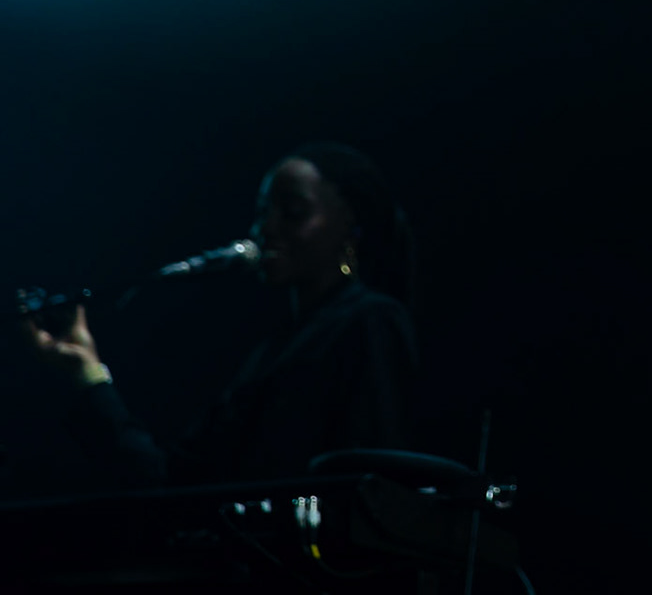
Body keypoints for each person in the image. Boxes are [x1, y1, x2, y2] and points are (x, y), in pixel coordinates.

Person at [20, 142, 419, 487]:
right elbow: (171, 481)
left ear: (352, 227)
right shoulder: (274, 349)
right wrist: (86, 373)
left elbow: (372, 482)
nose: (266, 229)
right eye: (263, 212)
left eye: (292, 212)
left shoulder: (370, 320)